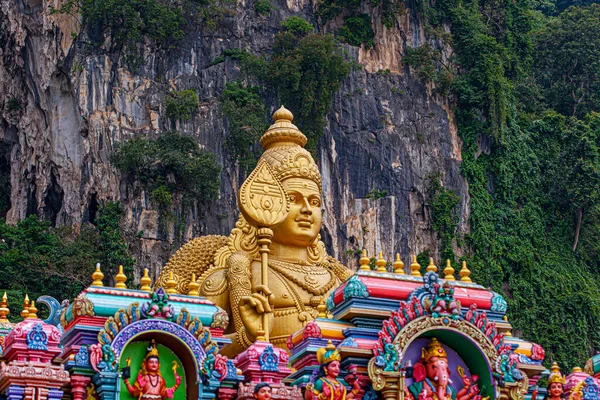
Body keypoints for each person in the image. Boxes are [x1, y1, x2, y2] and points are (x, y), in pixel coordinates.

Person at [157, 107, 352, 356]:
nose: (306, 210)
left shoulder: (339, 279)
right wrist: (247, 337)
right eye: (293, 199)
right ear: (263, 201)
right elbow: (194, 354)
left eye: (314, 202)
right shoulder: (236, 273)